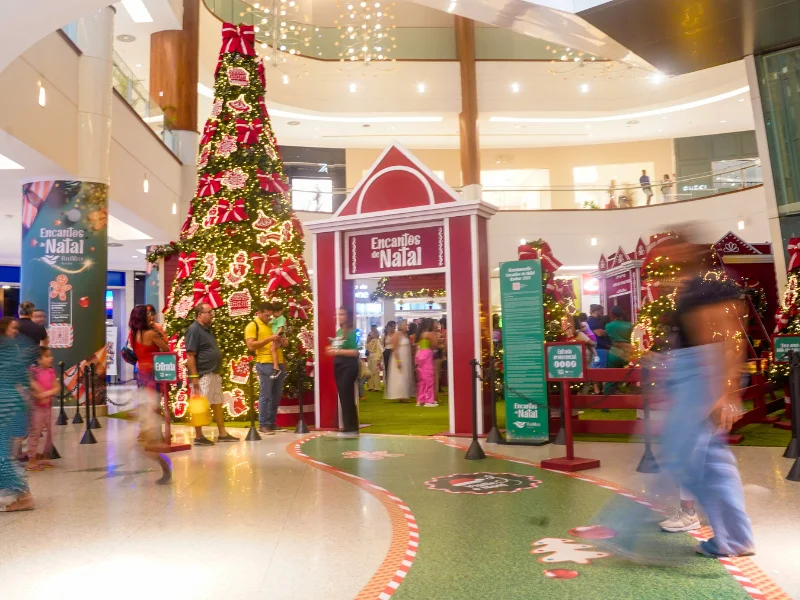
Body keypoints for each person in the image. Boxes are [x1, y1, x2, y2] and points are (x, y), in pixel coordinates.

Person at [658, 230, 755, 557]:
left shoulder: (705, 287)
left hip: (701, 381)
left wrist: (725, 392)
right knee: (709, 458)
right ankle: (734, 537)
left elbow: (729, 338)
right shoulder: (698, 286)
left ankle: (730, 537)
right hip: (697, 380)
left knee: (695, 458)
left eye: (672, 250)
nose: (668, 258)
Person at [128, 305, 172, 483]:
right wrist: (159, 332)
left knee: (147, 405)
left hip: (141, 374)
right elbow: (166, 348)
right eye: (147, 314)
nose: (150, 317)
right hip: (153, 374)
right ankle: (157, 440)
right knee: (153, 405)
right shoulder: (151, 334)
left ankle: (152, 434)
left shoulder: (133, 334)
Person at [185, 303, 239, 445]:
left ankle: (222, 434)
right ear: (200, 315)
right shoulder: (193, 330)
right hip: (202, 375)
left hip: (213, 373)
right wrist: (194, 377)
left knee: (217, 403)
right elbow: (190, 355)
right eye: (209, 312)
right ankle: (198, 437)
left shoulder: (207, 330)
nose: (212, 315)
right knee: (199, 405)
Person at [0, 317, 33, 511]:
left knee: (2, 454)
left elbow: (21, 377)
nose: (16, 331)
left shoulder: (10, 349)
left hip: (6, 404)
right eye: (13, 328)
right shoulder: (10, 348)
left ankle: (24, 495)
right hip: (9, 402)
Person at [244, 302, 288, 435]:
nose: (269, 318)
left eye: (271, 315)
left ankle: (272, 423)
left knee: (276, 395)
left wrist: (283, 341)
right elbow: (251, 345)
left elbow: (285, 344)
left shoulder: (273, 323)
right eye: (267, 315)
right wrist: (269, 339)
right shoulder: (253, 325)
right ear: (259, 313)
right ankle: (263, 424)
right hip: (265, 363)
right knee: (266, 395)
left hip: (279, 362)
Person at [325, 307, 360, 437]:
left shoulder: (354, 332)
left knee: (347, 395)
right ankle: (349, 426)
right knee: (343, 396)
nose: (338, 317)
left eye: (342, 314)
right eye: (337, 314)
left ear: (348, 316)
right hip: (339, 364)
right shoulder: (339, 332)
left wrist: (337, 351)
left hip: (349, 366)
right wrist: (331, 349)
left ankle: (351, 427)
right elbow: (337, 347)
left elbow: (356, 352)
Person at [26, 347, 58, 471]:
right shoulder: (33, 372)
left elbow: (56, 387)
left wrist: (46, 394)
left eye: (51, 356)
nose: (51, 358)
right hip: (36, 408)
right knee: (35, 432)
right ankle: (31, 460)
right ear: (39, 360)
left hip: (48, 407)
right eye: (47, 356)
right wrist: (39, 395)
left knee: (50, 432)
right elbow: (31, 387)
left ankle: (44, 456)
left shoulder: (51, 371)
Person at [385, 320, 414, 402]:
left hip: (406, 358)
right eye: (405, 325)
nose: (406, 326)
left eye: (406, 325)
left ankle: (405, 394)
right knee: (400, 376)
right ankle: (401, 395)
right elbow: (394, 349)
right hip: (399, 357)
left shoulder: (406, 335)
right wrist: (398, 361)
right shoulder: (397, 334)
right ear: (401, 326)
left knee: (405, 376)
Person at [415, 318, 438, 407]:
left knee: (422, 378)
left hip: (419, 355)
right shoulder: (430, 334)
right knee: (429, 377)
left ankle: (421, 399)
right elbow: (434, 345)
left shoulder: (421, 334)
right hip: (427, 354)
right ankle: (429, 400)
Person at [268, 301, 287, 380]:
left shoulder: (281, 318)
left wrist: (277, 336)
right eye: (274, 312)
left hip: (278, 336)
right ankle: (284, 370)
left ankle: (276, 368)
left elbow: (280, 328)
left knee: (272, 349)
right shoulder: (275, 318)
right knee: (276, 351)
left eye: (277, 312)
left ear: (282, 310)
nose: (275, 314)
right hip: (276, 336)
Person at [382, 321, 396, 388]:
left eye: (394, 327)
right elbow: (382, 345)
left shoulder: (396, 334)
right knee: (387, 368)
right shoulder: (385, 335)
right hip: (387, 352)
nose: (393, 329)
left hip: (394, 352)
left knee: (394, 368)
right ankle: (388, 384)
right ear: (388, 327)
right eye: (392, 327)